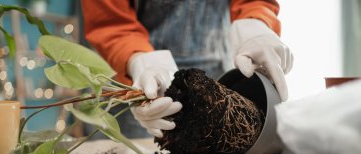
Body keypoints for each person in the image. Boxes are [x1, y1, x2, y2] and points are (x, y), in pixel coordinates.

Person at [81, 0, 293, 138]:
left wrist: (255, 21)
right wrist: (138, 61)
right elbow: (110, 23)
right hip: (142, 84)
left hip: (217, 81)